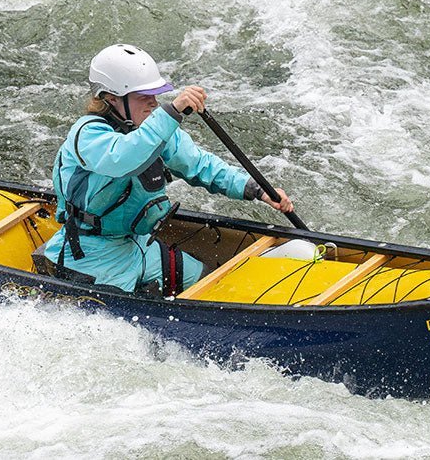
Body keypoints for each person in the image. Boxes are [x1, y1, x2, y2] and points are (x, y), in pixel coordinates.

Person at [42, 44, 295, 296]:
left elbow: (199, 165)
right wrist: (172, 112)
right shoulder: (88, 135)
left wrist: (254, 189)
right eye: (144, 97)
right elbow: (123, 158)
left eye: (155, 96)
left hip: (137, 247)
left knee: (207, 283)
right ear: (111, 99)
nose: (153, 104)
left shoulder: (152, 129)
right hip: (89, 256)